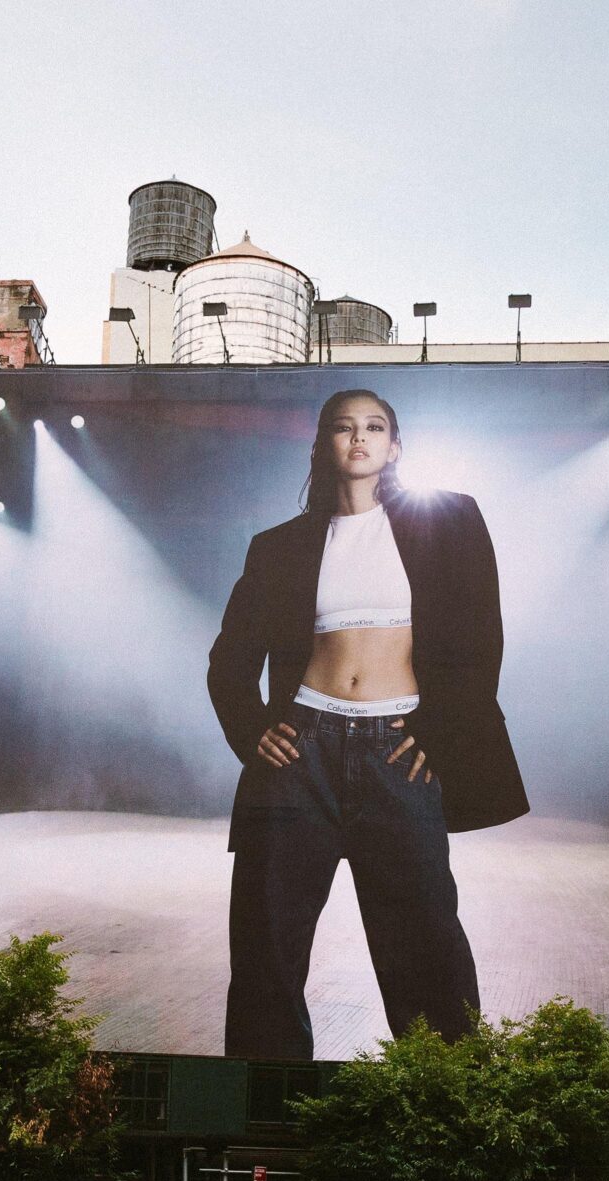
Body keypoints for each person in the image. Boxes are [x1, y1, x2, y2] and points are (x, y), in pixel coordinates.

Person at [208, 388, 527, 1059]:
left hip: (397, 755)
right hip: (302, 757)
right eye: (344, 427)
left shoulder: (450, 520)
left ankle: (446, 1115)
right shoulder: (278, 547)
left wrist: (438, 733)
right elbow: (228, 665)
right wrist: (251, 731)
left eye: (375, 426)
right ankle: (269, 1127)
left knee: (426, 952)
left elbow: (480, 640)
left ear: (395, 445)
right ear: (324, 443)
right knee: (267, 953)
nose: (360, 438)